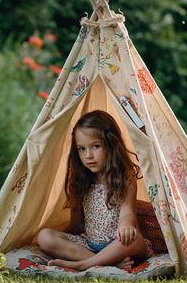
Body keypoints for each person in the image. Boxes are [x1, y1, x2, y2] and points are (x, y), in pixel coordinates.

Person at [37, 110, 152, 271]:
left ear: (111, 145)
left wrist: (125, 225)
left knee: (135, 240)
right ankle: (108, 264)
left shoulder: (124, 177)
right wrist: (60, 241)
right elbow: (76, 225)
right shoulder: (80, 180)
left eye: (95, 146)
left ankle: (83, 265)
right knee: (44, 236)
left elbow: (128, 213)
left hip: (119, 245)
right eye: (81, 149)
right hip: (90, 246)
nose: (88, 155)